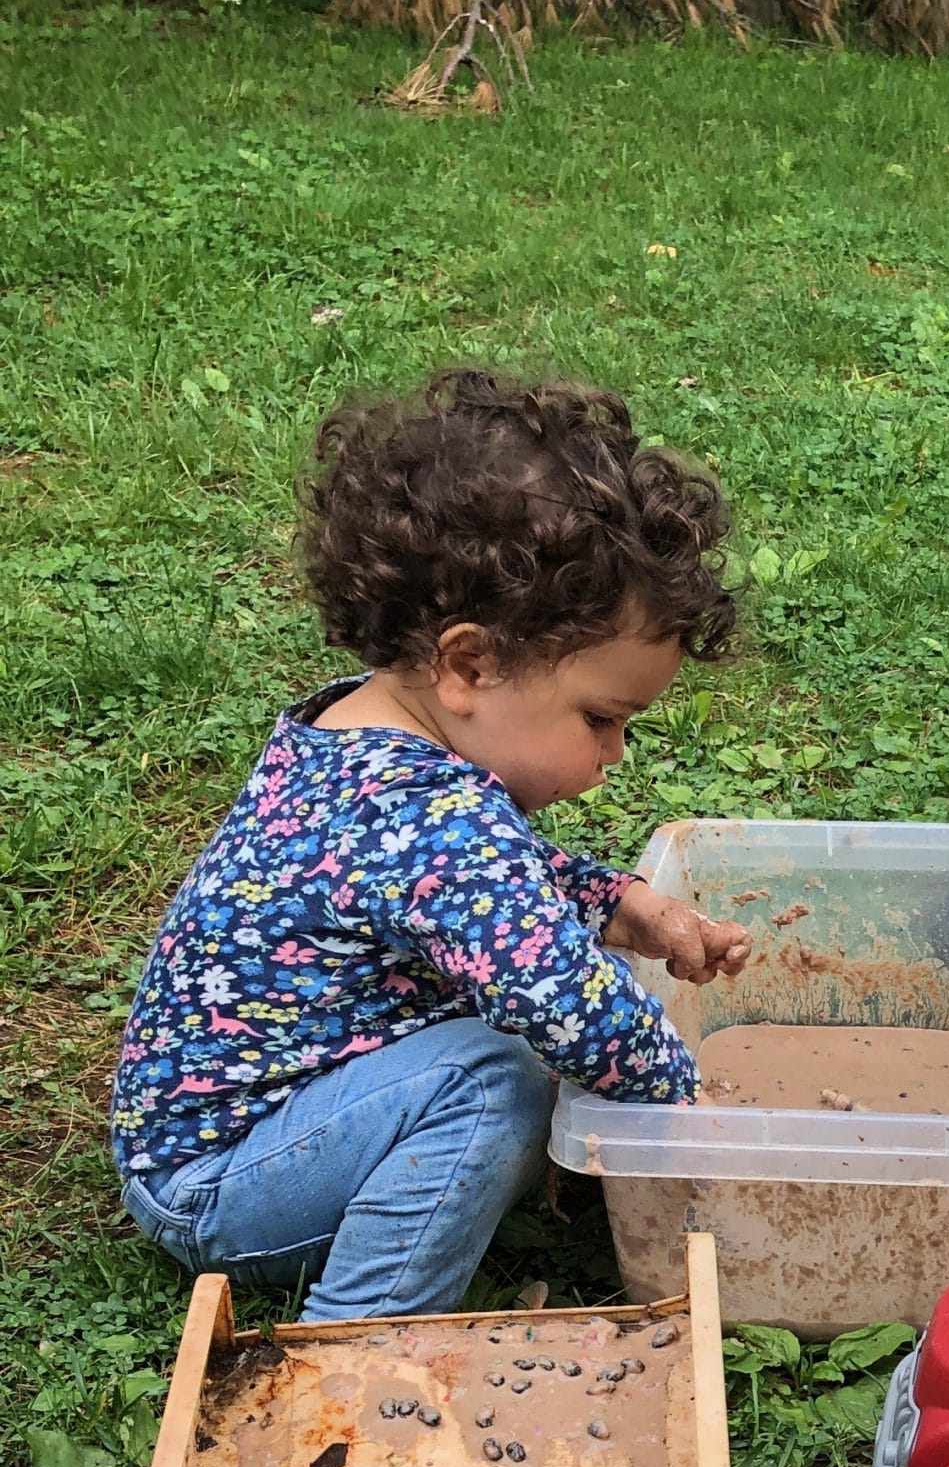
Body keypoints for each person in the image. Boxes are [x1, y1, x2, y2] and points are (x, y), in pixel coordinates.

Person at [112, 369, 748, 1321]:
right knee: (495, 1076)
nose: (615, 753)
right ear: (469, 664)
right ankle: (364, 1333)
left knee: (507, 1049)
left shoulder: (360, 735)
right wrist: (691, 1103)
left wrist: (621, 904)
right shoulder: (432, 817)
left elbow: (477, 895)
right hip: (223, 1184)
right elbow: (562, 999)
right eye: (602, 718)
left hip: (243, 1126)